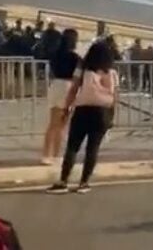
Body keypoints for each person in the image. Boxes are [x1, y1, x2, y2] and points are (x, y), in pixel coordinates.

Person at [46, 42, 118, 194]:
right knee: (92, 148)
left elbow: (73, 89)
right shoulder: (112, 72)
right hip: (103, 111)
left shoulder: (82, 68)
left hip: (83, 109)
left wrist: (67, 108)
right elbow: (115, 96)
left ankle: (63, 181)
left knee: (73, 146)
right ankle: (84, 183)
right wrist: (112, 115)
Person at [41, 29, 81, 165]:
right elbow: (78, 74)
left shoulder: (55, 55)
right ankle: (57, 155)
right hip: (68, 87)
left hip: (55, 85)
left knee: (52, 123)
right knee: (62, 124)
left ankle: (46, 154)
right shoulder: (75, 57)